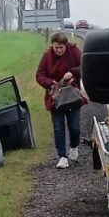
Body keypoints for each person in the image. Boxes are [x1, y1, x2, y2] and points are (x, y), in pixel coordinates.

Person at [36, 32, 85, 169]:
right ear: (52, 45)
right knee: (58, 128)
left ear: (66, 45)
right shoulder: (47, 56)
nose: (58, 50)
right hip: (55, 98)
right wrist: (50, 82)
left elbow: (85, 67)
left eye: (61, 47)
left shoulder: (74, 51)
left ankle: (74, 146)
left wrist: (72, 72)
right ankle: (62, 157)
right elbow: (39, 75)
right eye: (56, 47)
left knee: (74, 128)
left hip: (72, 96)